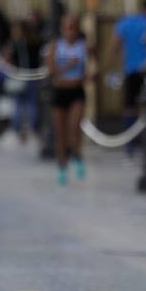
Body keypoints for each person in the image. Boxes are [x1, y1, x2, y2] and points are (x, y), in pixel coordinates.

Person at [47, 14, 91, 184]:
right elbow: (51, 70)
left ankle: (77, 154)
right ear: (62, 29)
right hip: (60, 92)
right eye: (67, 27)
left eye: (73, 27)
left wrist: (88, 74)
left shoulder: (83, 47)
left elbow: (90, 68)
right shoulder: (56, 46)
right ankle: (62, 166)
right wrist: (68, 66)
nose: (70, 31)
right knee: (60, 132)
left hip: (76, 92)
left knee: (75, 126)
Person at [107, 0, 146, 146]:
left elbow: (114, 46)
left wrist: (110, 67)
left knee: (129, 106)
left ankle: (130, 143)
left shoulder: (125, 23)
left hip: (130, 69)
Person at [2, 17, 42, 144]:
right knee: (32, 105)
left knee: (19, 105)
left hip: (20, 76)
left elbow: (8, 59)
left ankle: (16, 130)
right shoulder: (36, 41)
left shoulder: (16, 43)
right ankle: (32, 130)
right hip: (34, 77)